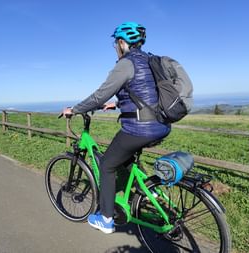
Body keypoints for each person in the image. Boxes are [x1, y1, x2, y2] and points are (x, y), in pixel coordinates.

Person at [62, 22, 171, 234]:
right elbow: (145, 93)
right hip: (161, 125)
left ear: (122, 42)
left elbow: (99, 95)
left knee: (107, 165)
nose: (115, 47)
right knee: (125, 156)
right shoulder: (148, 60)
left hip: (141, 128)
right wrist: (118, 104)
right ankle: (148, 190)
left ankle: (106, 219)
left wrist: (74, 109)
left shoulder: (125, 64)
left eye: (115, 43)